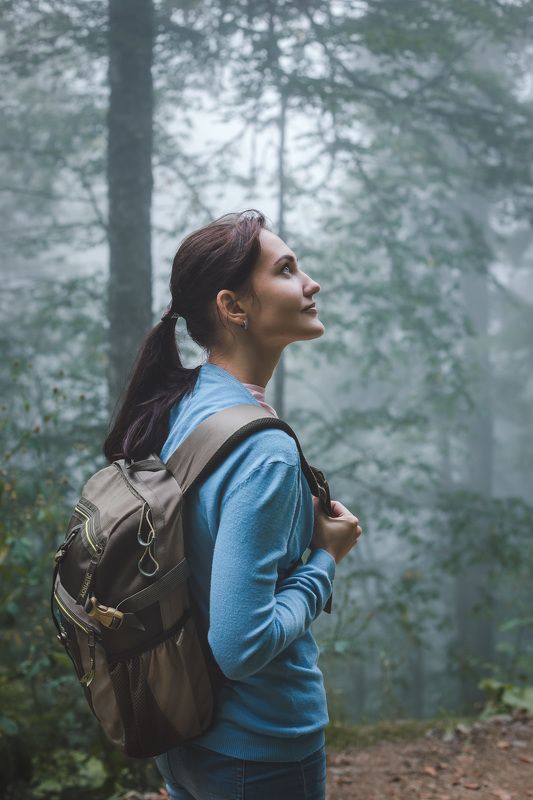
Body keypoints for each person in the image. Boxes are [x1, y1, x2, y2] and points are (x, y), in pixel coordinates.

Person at [103, 209, 362, 799]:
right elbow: (241, 646)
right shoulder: (263, 452)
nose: (310, 283)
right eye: (288, 269)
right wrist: (324, 561)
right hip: (260, 745)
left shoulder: (184, 400)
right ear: (234, 306)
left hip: (184, 728)